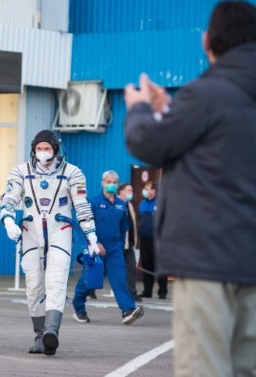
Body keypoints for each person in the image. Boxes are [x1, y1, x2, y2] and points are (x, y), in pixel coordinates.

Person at [124, 2, 256, 375]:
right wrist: (172, 110)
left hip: (209, 259)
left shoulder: (209, 92)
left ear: (207, 42)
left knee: (205, 368)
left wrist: (140, 110)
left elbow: (149, 142)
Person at [0, 130, 100, 356]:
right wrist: (7, 221)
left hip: (60, 232)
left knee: (56, 279)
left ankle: (51, 331)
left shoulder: (72, 173)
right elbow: (8, 200)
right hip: (31, 233)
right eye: (39, 149)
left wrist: (91, 237)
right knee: (34, 285)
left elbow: (82, 207)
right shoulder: (21, 172)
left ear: (56, 150)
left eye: (48, 149)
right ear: (33, 150)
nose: (43, 153)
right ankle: (39, 334)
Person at [72, 171, 144, 325]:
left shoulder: (120, 204)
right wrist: (94, 243)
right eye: (108, 181)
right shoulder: (94, 202)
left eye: (114, 182)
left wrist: (120, 245)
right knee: (89, 281)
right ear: (102, 183)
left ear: (117, 184)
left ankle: (128, 310)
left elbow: (124, 227)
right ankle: (79, 307)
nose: (111, 184)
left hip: (115, 249)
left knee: (119, 279)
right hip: (96, 248)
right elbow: (86, 225)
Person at [137, 181, 167, 299]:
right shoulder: (142, 204)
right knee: (146, 266)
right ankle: (147, 291)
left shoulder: (160, 203)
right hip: (144, 239)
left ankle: (162, 291)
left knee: (159, 266)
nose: (145, 190)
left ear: (154, 190)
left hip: (157, 240)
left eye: (147, 188)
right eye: (145, 188)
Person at [117, 183, 139, 301]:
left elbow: (133, 225)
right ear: (121, 191)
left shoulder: (129, 205)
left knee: (131, 268)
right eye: (129, 190)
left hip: (128, 243)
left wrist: (134, 240)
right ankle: (90, 289)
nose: (131, 193)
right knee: (107, 268)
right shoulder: (116, 204)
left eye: (132, 190)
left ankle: (132, 293)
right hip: (117, 243)